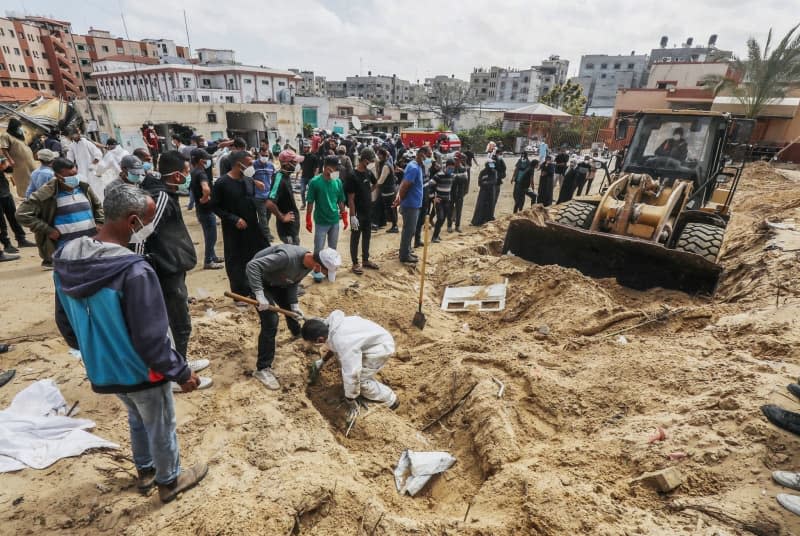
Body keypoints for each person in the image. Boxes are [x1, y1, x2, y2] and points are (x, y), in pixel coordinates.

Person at [53, 184, 208, 503]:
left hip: (102, 367)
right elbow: (151, 340)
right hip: (141, 370)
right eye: (149, 220)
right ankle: (169, 481)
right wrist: (181, 372)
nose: (149, 228)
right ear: (133, 220)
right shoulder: (134, 271)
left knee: (137, 417)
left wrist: (96, 349)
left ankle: (146, 469)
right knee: (161, 422)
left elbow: (65, 323)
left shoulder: (66, 258)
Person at [246, 245, 337, 390]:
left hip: (279, 282)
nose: (324, 275)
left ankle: (297, 334)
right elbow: (252, 266)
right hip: (260, 281)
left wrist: (294, 304)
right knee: (271, 321)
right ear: (318, 265)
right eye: (325, 272)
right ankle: (262, 369)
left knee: (293, 312)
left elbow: (293, 281)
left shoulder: (309, 264)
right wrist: (259, 294)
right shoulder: (286, 257)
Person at [302, 311, 400, 425]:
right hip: (373, 338)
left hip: (379, 349)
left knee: (361, 381)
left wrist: (350, 398)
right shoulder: (331, 325)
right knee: (346, 365)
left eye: (314, 344)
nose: (314, 346)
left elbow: (353, 374)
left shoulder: (344, 342)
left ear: (319, 340)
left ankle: (390, 400)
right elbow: (334, 346)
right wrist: (322, 361)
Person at [16, 157, 104, 270]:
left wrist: (100, 221)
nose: (74, 178)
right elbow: (21, 214)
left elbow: (98, 206)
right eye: (69, 176)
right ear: (58, 176)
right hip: (67, 251)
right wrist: (47, 230)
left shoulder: (84, 187)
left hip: (92, 246)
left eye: (75, 174)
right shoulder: (46, 193)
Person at [212, 151, 269, 296]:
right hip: (233, 230)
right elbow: (214, 207)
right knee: (236, 262)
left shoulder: (248, 180)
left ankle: (256, 289)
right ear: (239, 164)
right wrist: (233, 219)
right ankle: (239, 295)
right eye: (249, 163)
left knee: (256, 256)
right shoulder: (222, 183)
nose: (252, 166)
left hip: (252, 227)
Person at [187, 148, 223, 270]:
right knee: (211, 237)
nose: (209, 161)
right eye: (207, 159)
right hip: (205, 210)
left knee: (210, 235)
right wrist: (205, 197)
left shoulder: (194, 172)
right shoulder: (201, 173)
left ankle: (212, 256)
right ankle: (208, 261)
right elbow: (206, 188)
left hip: (201, 210)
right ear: (202, 161)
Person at [345, 148, 378, 274]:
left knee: (367, 236)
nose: (372, 163)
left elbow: (375, 184)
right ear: (364, 160)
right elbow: (351, 198)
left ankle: (365, 260)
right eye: (370, 161)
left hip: (368, 211)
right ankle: (355, 263)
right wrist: (353, 216)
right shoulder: (352, 176)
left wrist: (367, 193)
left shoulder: (368, 173)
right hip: (357, 213)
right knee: (355, 238)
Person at [306, 155, 347, 256]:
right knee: (318, 250)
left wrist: (344, 215)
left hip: (334, 220)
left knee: (332, 250)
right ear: (326, 167)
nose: (335, 170)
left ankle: (329, 270)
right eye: (333, 167)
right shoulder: (315, 182)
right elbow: (310, 201)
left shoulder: (337, 181)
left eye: (336, 168)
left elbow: (340, 200)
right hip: (321, 222)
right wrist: (308, 219)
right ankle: (317, 270)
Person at [393, 145, 429, 264]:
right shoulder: (414, 167)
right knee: (409, 230)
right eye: (427, 156)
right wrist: (399, 200)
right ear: (421, 154)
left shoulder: (416, 166)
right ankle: (404, 255)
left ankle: (407, 250)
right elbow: (405, 185)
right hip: (410, 204)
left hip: (414, 203)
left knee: (411, 230)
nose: (428, 160)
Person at [0, 156, 35, 255]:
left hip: (5, 193)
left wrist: (6, 164)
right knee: (1, 223)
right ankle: (7, 244)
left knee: (14, 217)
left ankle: (21, 239)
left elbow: (9, 170)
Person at [267, 151, 303, 245]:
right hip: (287, 230)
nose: (297, 165)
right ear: (286, 164)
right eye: (294, 162)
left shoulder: (286, 176)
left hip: (292, 227)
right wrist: (282, 217)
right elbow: (269, 203)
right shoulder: (279, 178)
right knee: (292, 256)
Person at [0, 118, 37, 198]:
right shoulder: (5, 135)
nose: (20, 128)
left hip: (29, 161)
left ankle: (36, 193)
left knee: (34, 176)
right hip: (19, 163)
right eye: (18, 127)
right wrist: (10, 160)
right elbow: (4, 148)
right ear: (13, 127)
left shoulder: (20, 135)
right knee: (24, 180)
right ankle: (27, 196)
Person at [65, 129, 103, 196]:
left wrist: (93, 164)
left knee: (95, 188)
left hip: (91, 170)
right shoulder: (71, 146)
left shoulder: (86, 143)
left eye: (79, 133)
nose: (78, 135)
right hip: (81, 171)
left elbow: (98, 153)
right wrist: (70, 169)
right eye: (76, 134)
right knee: (85, 188)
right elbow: (69, 159)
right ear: (72, 135)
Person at [253, 144, 276, 244]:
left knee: (267, 216)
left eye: (266, 155)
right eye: (263, 155)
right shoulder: (253, 165)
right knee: (262, 216)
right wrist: (255, 182)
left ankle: (260, 231)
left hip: (269, 196)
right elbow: (248, 178)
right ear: (259, 154)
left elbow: (274, 178)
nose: (265, 157)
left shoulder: (271, 166)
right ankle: (266, 235)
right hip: (258, 196)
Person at [430, 157, 456, 243]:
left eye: (452, 168)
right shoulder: (438, 175)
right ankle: (434, 237)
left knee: (443, 219)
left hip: (447, 201)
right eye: (449, 168)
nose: (451, 170)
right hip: (439, 201)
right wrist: (433, 197)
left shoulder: (452, 176)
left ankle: (437, 235)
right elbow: (430, 186)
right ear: (446, 166)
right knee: (440, 218)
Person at [375, 148, 398, 233]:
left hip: (388, 191)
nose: (378, 156)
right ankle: (385, 224)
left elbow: (381, 180)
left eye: (379, 154)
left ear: (383, 155)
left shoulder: (385, 166)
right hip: (389, 190)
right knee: (390, 208)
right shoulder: (386, 163)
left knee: (391, 209)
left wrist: (374, 188)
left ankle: (395, 226)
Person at [471, 159, 497, 226]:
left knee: (490, 206)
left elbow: (494, 181)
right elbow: (479, 182)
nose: (492, 166)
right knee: (481, 206)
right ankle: (478, 221)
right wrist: (485, 183)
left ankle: (488, 220)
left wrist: (486, 183)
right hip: (483, 191)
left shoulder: (494, 172)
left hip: (491, 192)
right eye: (490, 164)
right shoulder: (482, 172)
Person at [447, 152, 469, 233]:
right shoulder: (451, 168)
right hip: (451, 192)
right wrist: (459, 177)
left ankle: (457, 226)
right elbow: (449, 178)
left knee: (459, 210)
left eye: (457, 159)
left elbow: (466, 179)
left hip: (460, 192)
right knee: (450, 210)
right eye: (455, 159)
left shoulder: (463, 168)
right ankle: (449, 226)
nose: (455, 161)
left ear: (460, 160)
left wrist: (455, 177)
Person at [298, 143, 318, 211]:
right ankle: (303, 204)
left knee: (312, 192)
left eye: (305, 147)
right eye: (304, 147)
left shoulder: (314, 157)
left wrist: (315, 177)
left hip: (311, 177)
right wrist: (298, 173)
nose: (304, 148)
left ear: (309, 148)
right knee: (302, 190)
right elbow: (300, 166)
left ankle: (314, 204)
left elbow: (317, 168)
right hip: (303, 177)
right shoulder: (302, 157)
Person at [492, 151, 507, 216]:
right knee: (494, 199)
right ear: (499, 154)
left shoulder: (491, 160)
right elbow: (504, 168)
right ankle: (491, 214)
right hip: (497, 182)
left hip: (491, 182)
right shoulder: (500, 160)